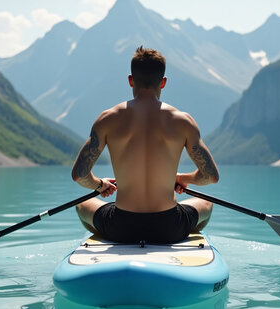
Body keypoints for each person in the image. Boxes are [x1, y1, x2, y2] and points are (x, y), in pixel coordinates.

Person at [71, 46, 219, 244]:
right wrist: (184, 178)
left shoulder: (107, 119)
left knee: (82, 203)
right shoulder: (183, 121)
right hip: (169, 227)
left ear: (131, 80)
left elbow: (80, 175)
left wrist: (100, 185)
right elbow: (211, 176)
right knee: (206, 202)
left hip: (121, 226)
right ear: (163, 82)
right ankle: (183, 241)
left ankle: (107, 241)